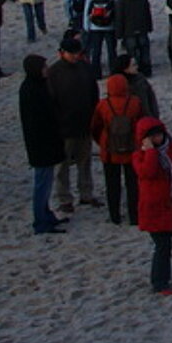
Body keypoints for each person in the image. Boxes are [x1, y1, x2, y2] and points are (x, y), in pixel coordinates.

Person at [133, 117, 172, 295]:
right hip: (156, 211)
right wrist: (151, 152)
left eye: (159, 134)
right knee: (163, 247)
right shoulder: (139, 156)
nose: (158, 138)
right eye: (153, 136)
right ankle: (160, 282)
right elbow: (148, 172)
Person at [47, 32, 102, 214]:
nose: (75, 56)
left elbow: (94, 93)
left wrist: (94, 117)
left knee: (84, 161)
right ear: (62, 53)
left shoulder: (85, 68)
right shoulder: (54, 72)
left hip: (85, 123)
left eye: (77, 53)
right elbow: (51, 102)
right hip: (64, 127)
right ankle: (65, 198)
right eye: (71, 53)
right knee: (62, 166)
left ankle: (86, 193)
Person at [17, 54, 67, 234]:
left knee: (45, 183)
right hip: (41, 144)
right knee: (42, 184)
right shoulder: (31, 90)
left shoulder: (36, 86)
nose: (47, 69)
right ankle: (40, 220)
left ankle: (45, 215)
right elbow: (39, 120)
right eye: (44, 67)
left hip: (45, 143)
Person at [91, 72, 145, 225]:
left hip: (110, 150)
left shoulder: (103, 105)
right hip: (131, 148)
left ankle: (114, 215)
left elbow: (95, 126)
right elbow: (142, 122)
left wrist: (101, 142)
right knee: (132, 184)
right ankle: (134, 215)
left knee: (112, 184)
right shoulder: (135, 102)